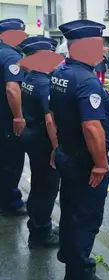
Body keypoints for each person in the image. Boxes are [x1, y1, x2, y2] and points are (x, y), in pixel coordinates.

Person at [50, 19, 109, 279]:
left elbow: (53, 114)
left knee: (69, 211)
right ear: (82, 47)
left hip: (67, 153)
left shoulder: (60, 73)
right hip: (84, 161)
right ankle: (78, 272)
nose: (101, 51)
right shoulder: (88, 81)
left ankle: (69, 259)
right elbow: (91, 127)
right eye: (97, 45)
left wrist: (57, 147)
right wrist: (100, 163)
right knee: (85, 218)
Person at [18, 36, 60, 248]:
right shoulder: (44, 84)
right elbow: (50, 120)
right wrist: (56, 148)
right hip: (43, 142)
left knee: (38, 185)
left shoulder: (29, 78)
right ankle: (41, 233)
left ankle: (38, 225)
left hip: (31, 136)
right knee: (47, 187)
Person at [0, 18, 28, 216]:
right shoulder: (11, 57)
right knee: (12, 160)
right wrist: (18, 117)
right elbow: (12, 89)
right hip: (6, 119)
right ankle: (11, 202)